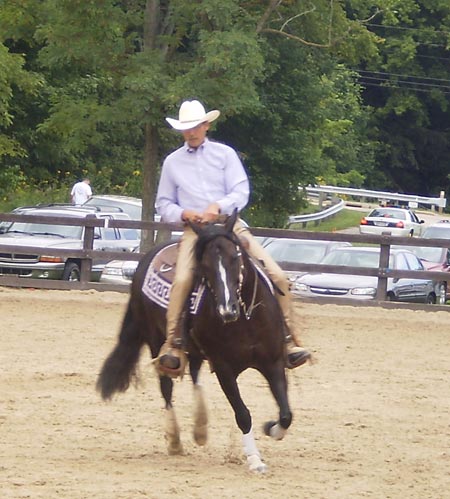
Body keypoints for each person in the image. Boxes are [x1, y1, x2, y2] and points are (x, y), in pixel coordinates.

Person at [155, 99, 311, 377]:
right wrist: (184, 213)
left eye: (195, 127)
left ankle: (287, 340)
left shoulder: (225, 155)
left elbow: (240, 192)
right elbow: (163, 204)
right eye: (186, 128)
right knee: (181, 281)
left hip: (229, 226)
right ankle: (173, 344)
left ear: (206, 125)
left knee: (278, 277)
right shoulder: (172, 163)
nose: (190, 133)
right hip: (196, 231)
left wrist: (218, 207)